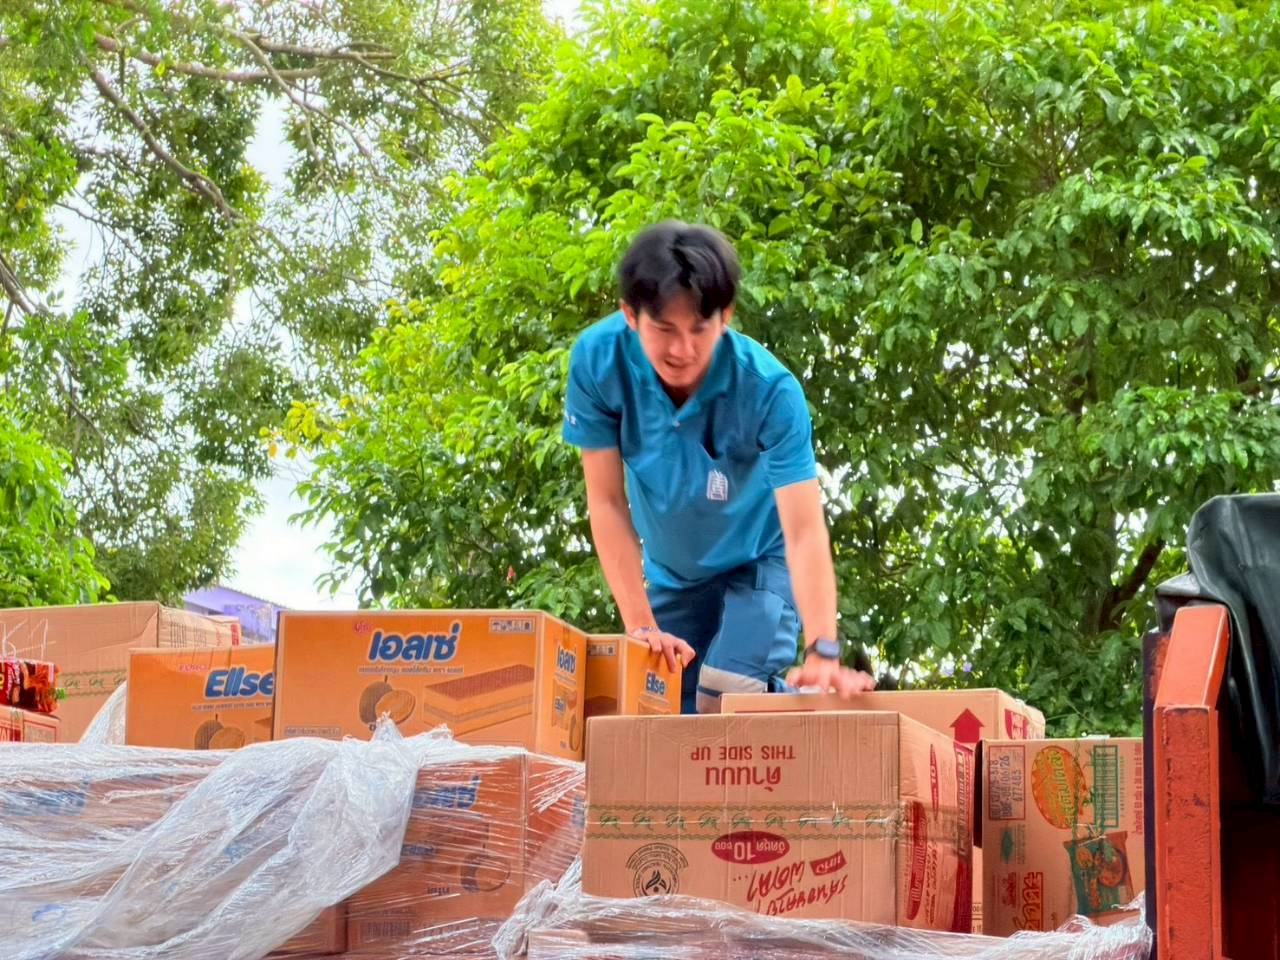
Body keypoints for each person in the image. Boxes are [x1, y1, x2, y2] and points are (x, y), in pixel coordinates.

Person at [562, 220, 874, 713]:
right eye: (664, 329)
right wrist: (640, 625)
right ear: (630, 315)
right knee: (661, 708)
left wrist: (823, 650)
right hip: (673, 574)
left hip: (760, 561)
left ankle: (808, 704)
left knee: (725, 691)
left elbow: (804, 530)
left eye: (699, 329)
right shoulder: (598, 363)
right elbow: (606, 502)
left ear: (725, 317)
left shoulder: (770, 391)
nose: (682, 350)